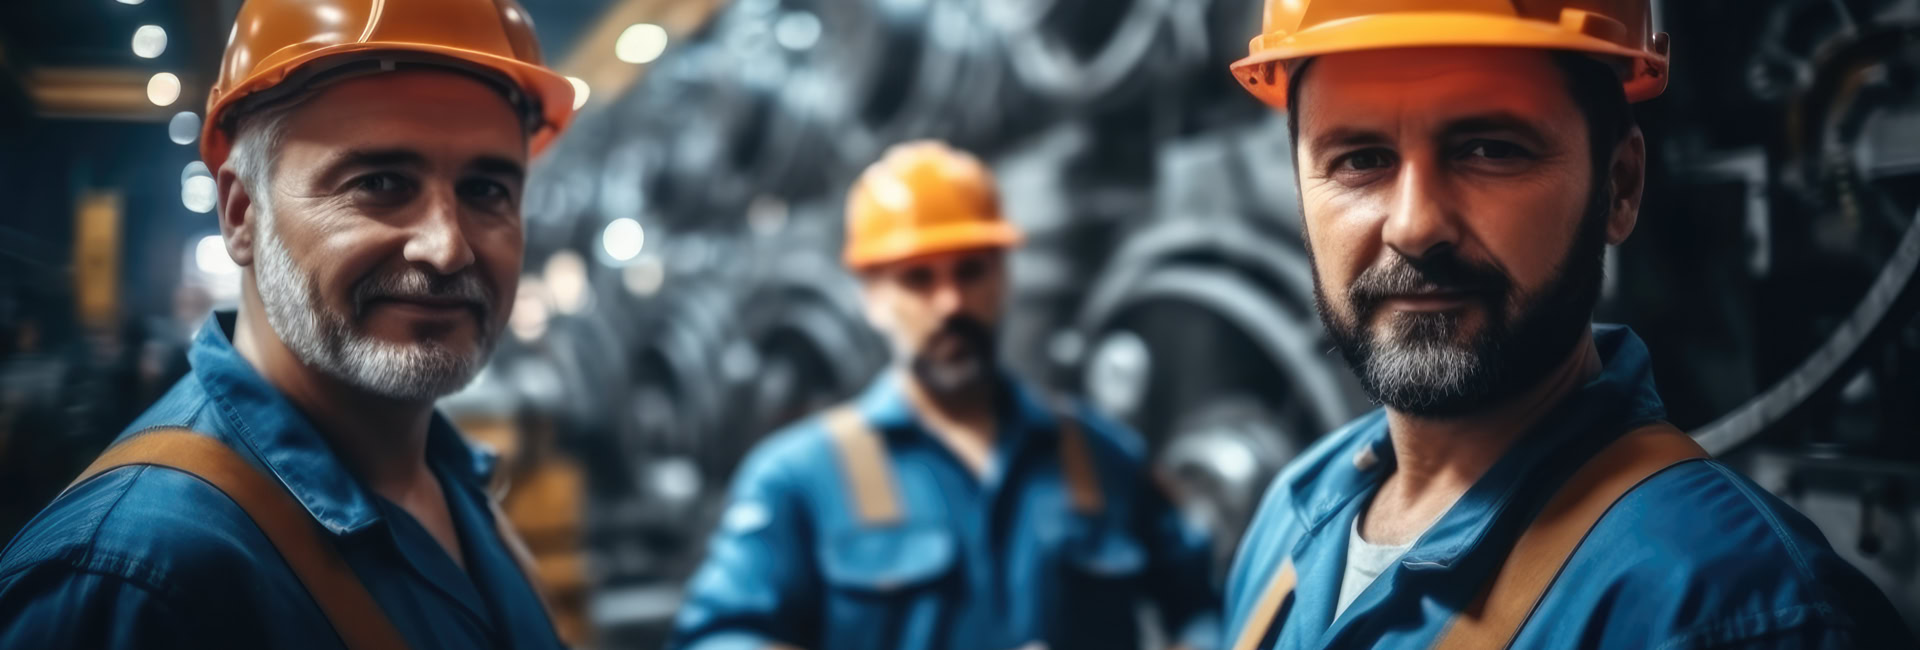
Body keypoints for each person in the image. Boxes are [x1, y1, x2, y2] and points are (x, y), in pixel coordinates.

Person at [1219, 1, 1915, 648]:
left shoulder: (1734, 610)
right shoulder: (1293, 514)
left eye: (1489, 149)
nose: (1415, 225)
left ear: (1619, 186)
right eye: (1360, 160)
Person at [0, 0, 577, 647]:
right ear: (242, 214)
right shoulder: (134, 579)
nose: (447, 248)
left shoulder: (461, 491)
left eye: (487, 192)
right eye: (382, 181)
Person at [672, 141, 1220, 650]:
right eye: (917, 279)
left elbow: (1201, 607)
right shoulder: (798, 479)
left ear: (1003, 278)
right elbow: (718, 637)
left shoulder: (1101, 458)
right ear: (873, 298)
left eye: (970, 271)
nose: (950, 303)